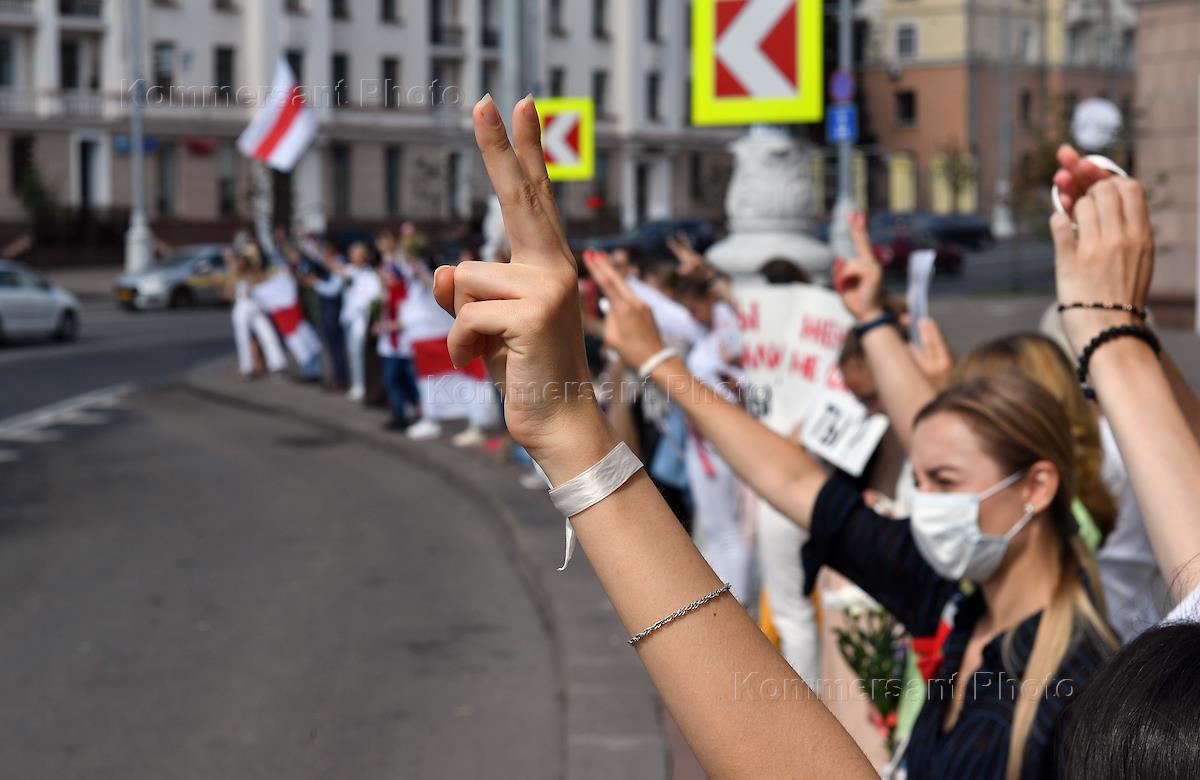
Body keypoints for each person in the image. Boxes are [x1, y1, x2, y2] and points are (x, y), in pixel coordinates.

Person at [225, 243, 287, 380]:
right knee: (243, 337)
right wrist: (235, 273)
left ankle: (277, 364)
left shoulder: (258, 268)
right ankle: (246, 368)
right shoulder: (239, 269)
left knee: (267, 333)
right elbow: (229, 290)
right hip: (242, 306)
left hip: (257, 305)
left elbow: (261, 280)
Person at [374, 261, 422, 431]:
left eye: (386, 272)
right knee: (397, 382)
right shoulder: (388, 292)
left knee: (399, 381)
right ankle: (401, 413)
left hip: (402, 346)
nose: (382, 275)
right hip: (389, 346)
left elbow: (405, 321)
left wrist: (384, 327)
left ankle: (405, 414)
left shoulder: (402, 292)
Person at [336, 242, 382, 402]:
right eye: (352, 255)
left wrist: (362, 306)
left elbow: (374, 296)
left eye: (358, 255)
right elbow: (335, 270)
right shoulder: (349, 270)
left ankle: (362, 385)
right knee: (352, 353)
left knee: (359, 353)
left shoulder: (371, 275)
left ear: (364, 256)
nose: (354, 258)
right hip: (348, 318)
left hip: (361, 320)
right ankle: (357, 383)